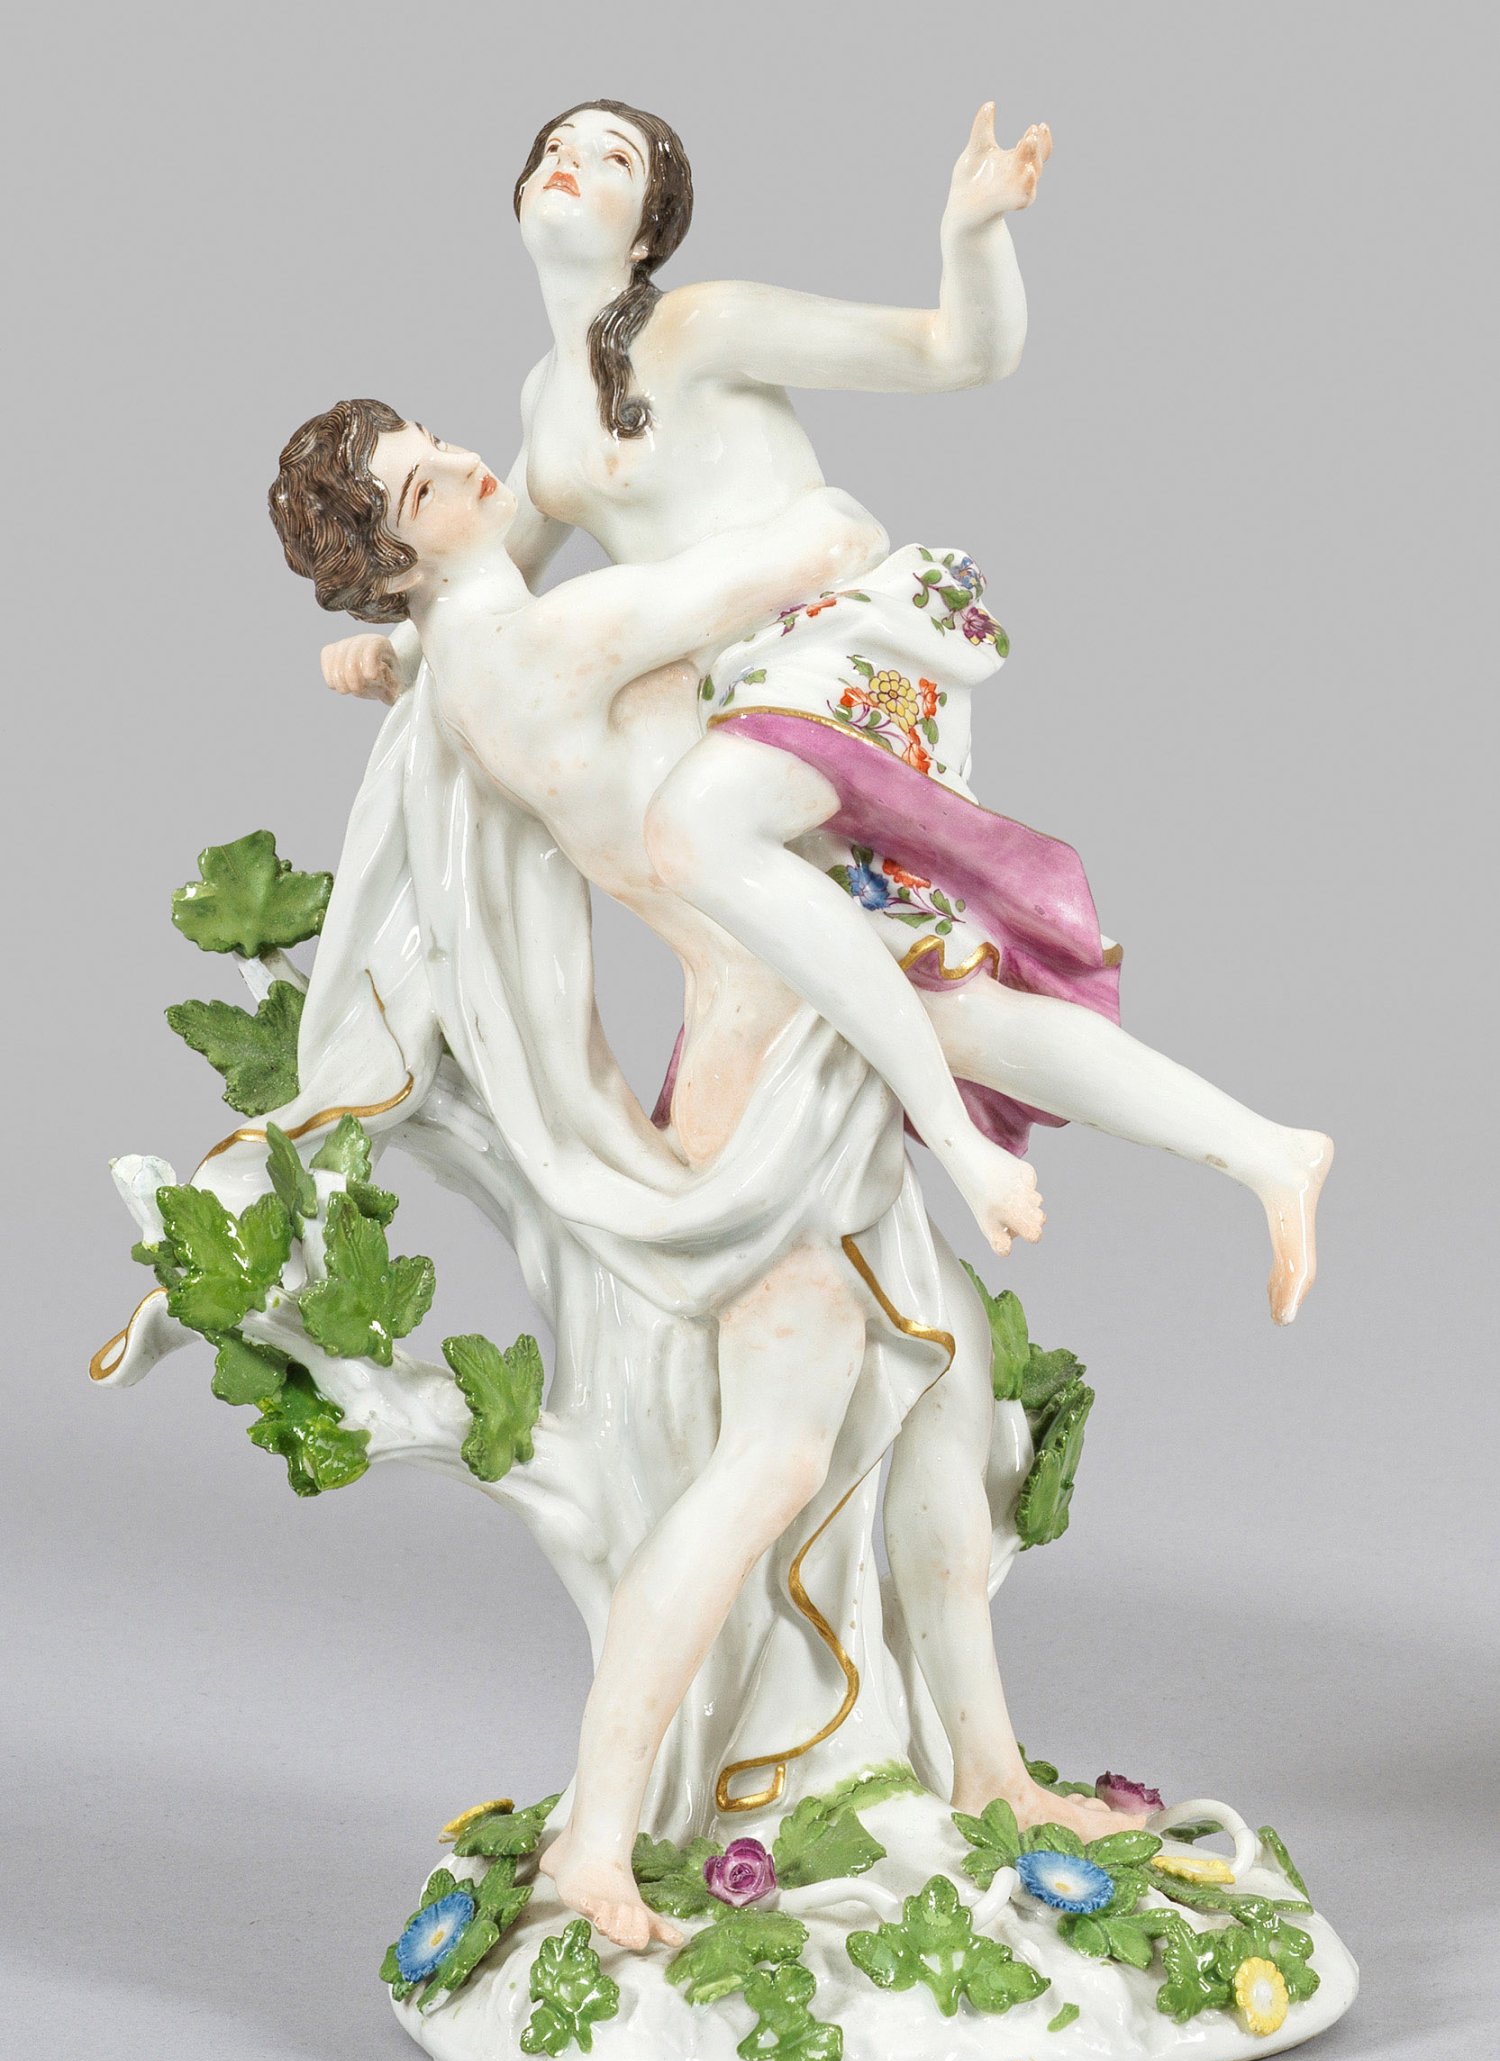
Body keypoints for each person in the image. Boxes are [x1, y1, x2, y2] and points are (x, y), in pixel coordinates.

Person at [270, 398, 1150, 1950]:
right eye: (423, 485)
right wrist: (754, 488)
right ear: (395, 557)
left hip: (789, 1035)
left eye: (436, 438)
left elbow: (512, 650)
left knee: (947, 1388)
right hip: (763, 1069)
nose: (469, 463)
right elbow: (809, 546)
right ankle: (599, 1837)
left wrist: (390, 652)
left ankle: (990, 1771)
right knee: (777, 1457)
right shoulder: (550, 637)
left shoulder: (474, 654)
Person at [321, 98, 1331, 1320]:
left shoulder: (705, 324)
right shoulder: (543, 405)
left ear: (647, 229)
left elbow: (956, 351)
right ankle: (1270, 1152)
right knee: (934, 1000)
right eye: (553, 150)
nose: (569, 164)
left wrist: (973, 235)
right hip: (744, 706)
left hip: (839, 640)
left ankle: (957, 1144)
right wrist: (392, 653)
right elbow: (492, 580)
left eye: (610, 156)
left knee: (694, 829)